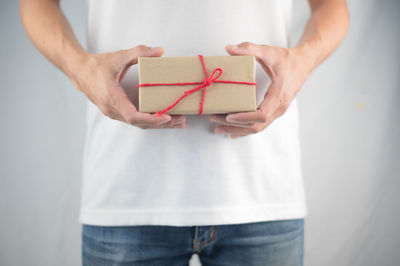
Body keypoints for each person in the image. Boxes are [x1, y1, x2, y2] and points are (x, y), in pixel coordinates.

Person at [20, 0, 349, 265]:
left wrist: (302, 61)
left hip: (264, 192)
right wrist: (80, 67)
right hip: (124, 194)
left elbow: (331, 5)